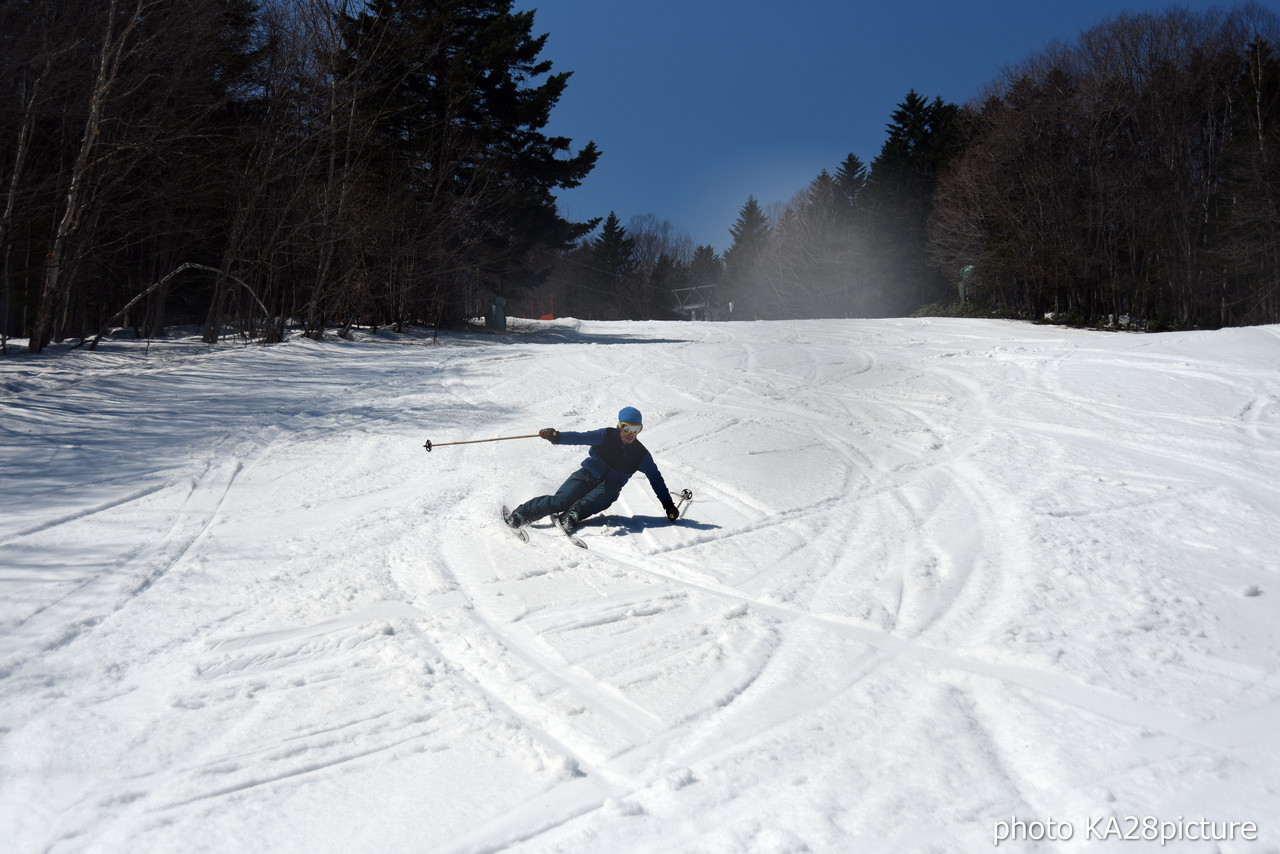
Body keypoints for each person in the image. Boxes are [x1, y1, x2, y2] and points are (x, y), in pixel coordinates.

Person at [507, 406, 679, 534]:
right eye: (627, 428)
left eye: (636, 429)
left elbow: (656, 479)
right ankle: (521, 514)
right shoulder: (605, 436)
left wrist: (669, 506)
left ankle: (573, 515)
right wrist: (557, 437)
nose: (631, 434)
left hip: (609, 486)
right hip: (587, 475)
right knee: (560, 501)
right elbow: (580, 437)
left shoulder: (641, 455)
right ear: (620, 426)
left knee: (605, 494)